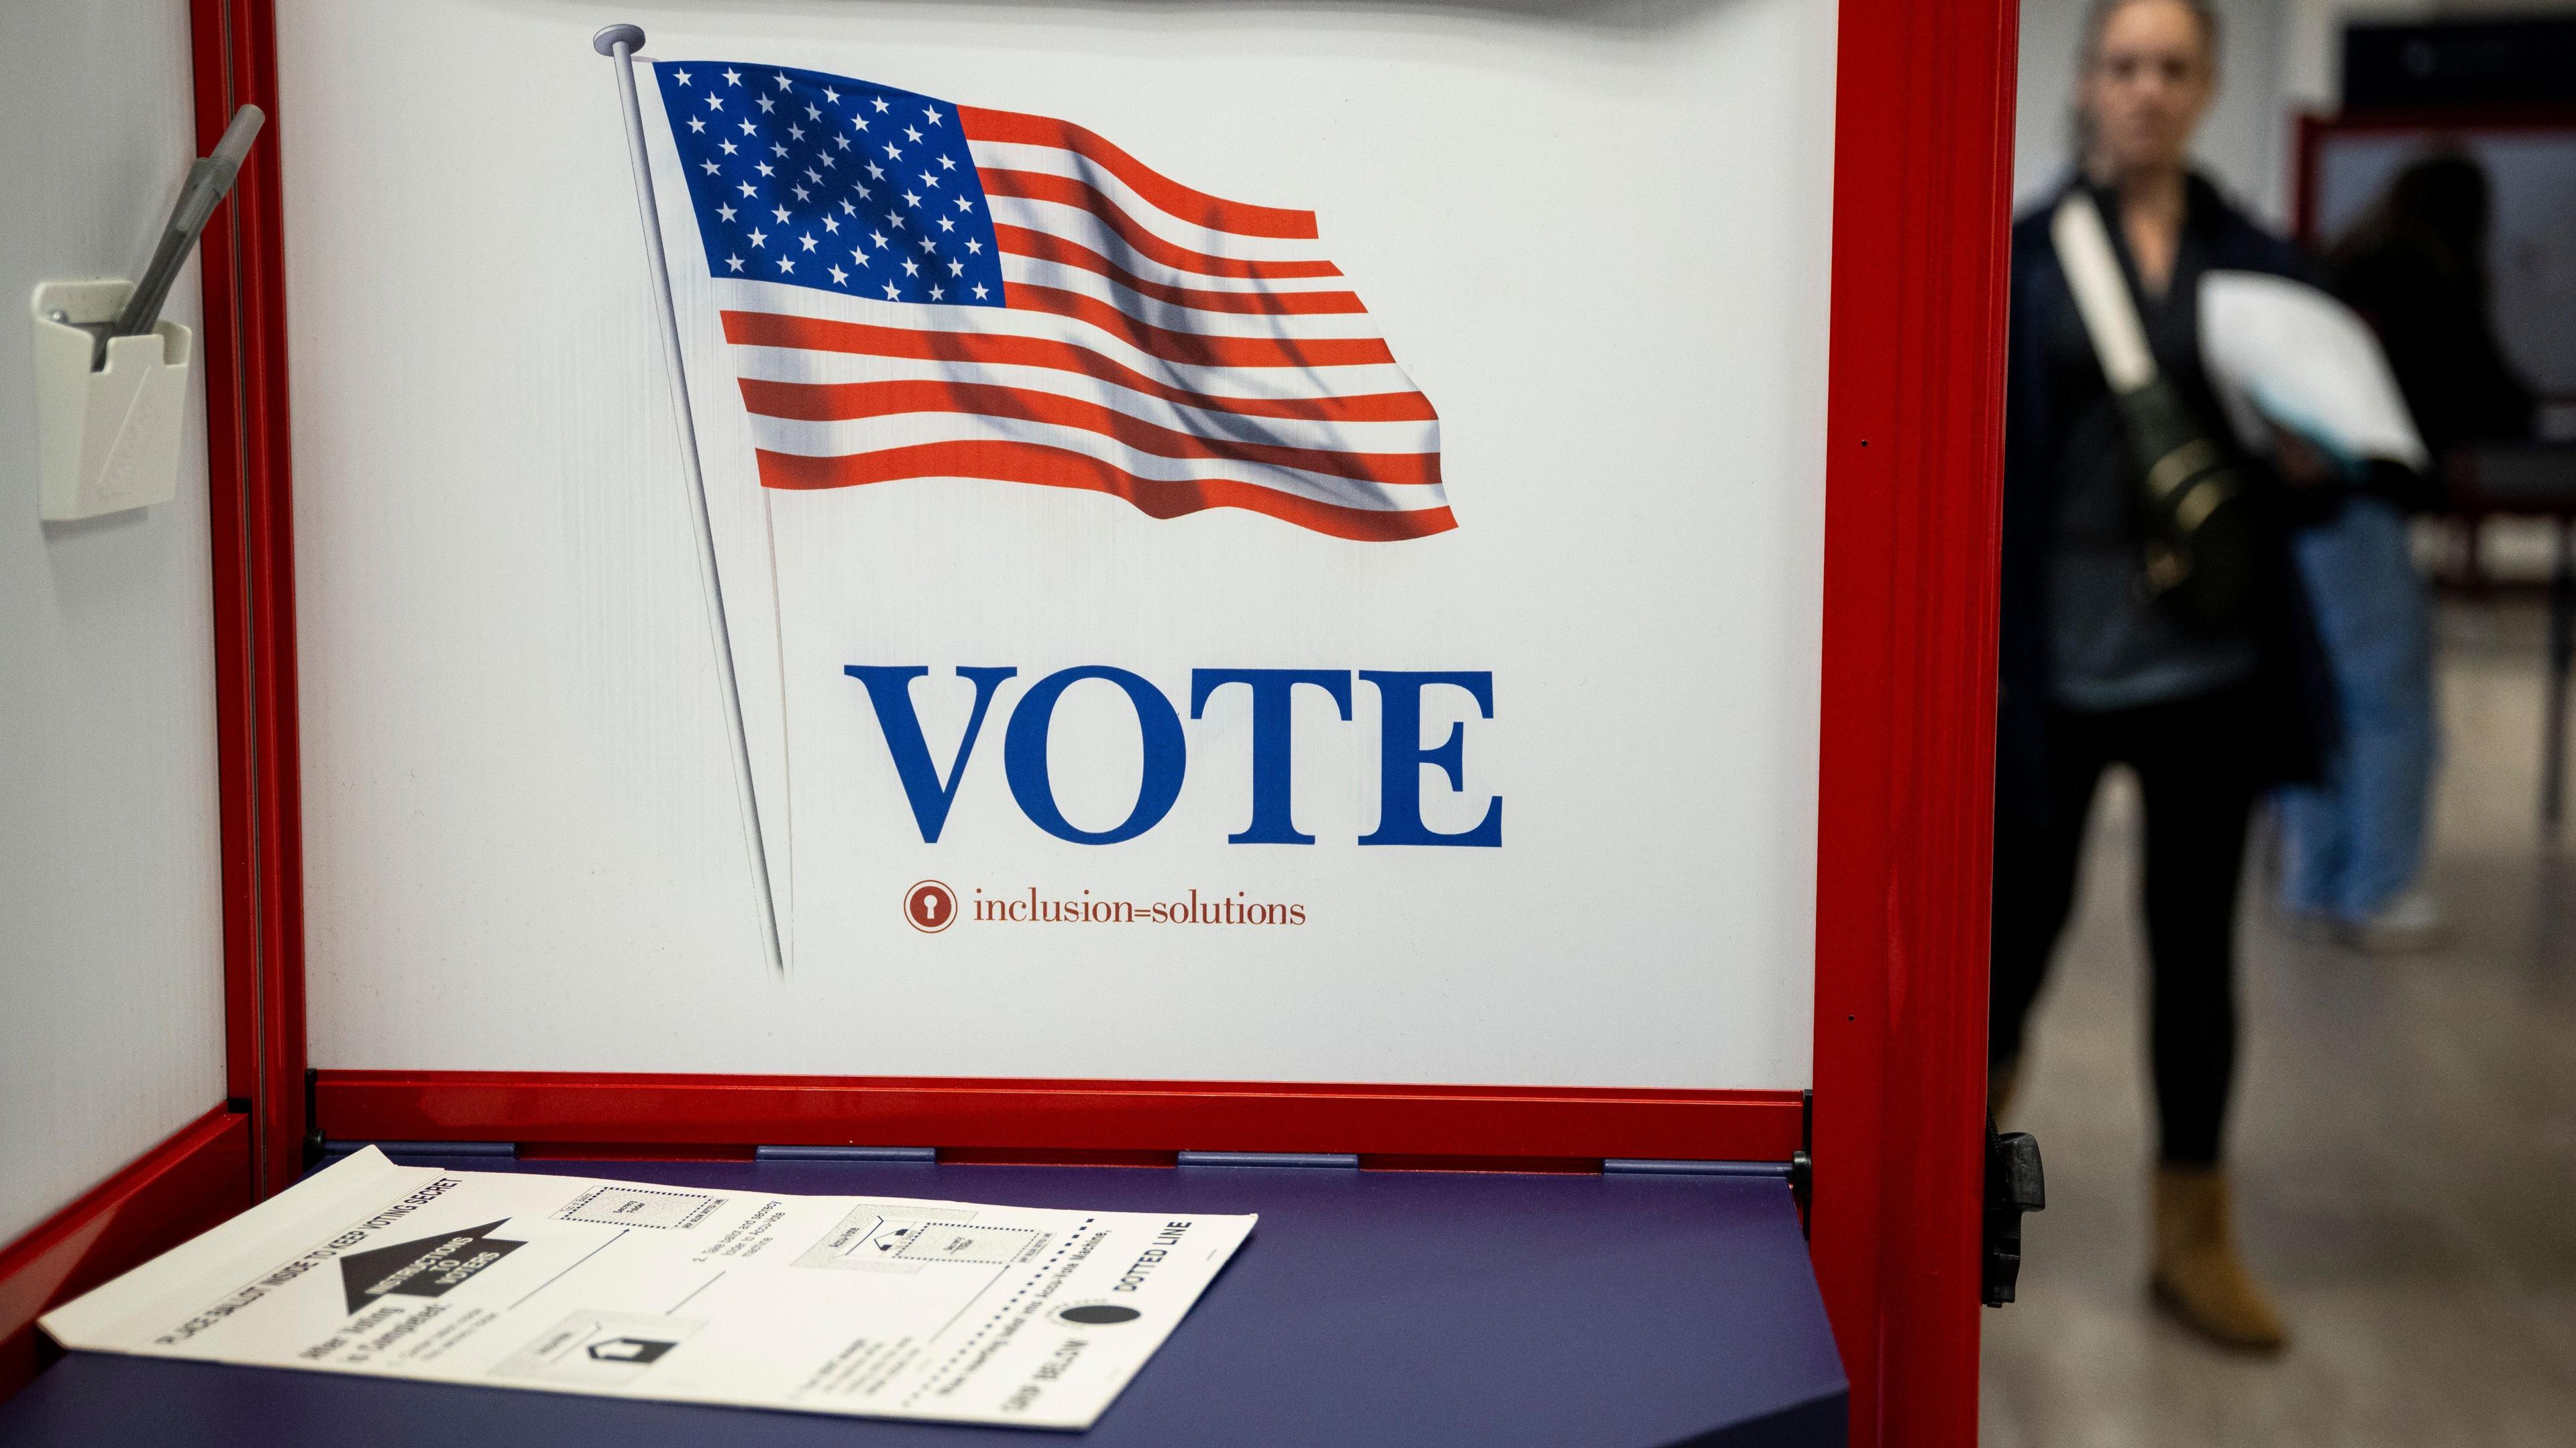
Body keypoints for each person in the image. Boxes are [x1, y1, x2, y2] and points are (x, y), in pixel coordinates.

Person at [1989, 0, 2332, 1351]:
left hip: (2211, 668)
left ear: (2208, 88)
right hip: (2053, 669)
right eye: (2123, 66)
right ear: (2084, 84)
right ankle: (1947, 1213)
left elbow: (2303, 465)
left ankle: (2195, 1240)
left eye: (2172, 69)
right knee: (2011, 951)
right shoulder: (2017, 258)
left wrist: (2309, 465)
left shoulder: (2261, 262)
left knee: (2199, 964)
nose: (2145, 91)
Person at [2273, 155, 2536, 950]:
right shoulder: (2428, 276)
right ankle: (2374, 888)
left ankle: (2314, 879)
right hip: (2362, 508)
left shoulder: (2346, 261)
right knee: (2388, 708)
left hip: (2301, 511)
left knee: (2320, 702)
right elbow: (2496, 398)